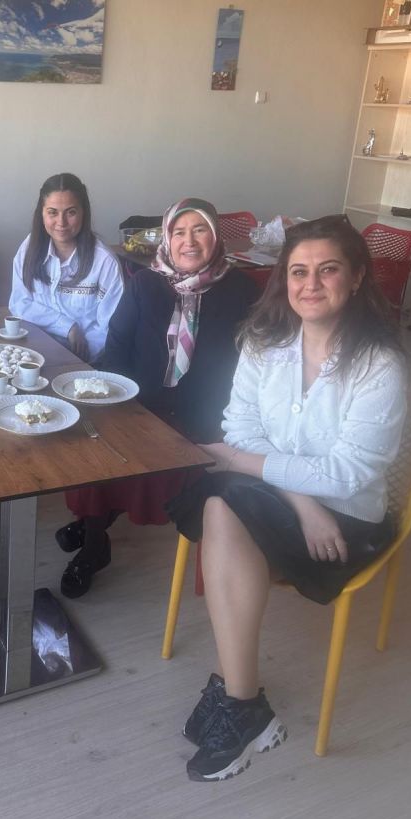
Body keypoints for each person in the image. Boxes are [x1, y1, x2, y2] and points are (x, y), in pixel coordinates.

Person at [171, 214, 406, 782]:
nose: (311, 284)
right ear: (285, 279)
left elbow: (348, 473)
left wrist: (244, 464)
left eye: (328, 270)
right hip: (292, 505)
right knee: (219, 502)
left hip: (346, 521)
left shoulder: (380, 366)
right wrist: (302, 502)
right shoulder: (264, 343)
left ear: (356, 277)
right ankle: (243, 701)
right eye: (299, 271)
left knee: (222, 502)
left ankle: (238, 698)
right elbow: (240, 429)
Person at [56, 198, 259, 598]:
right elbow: (116, 347)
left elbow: (255, 365)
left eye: (199, 230)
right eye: (179, 232)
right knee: (97, 439)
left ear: (216, 236)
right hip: (140, 402)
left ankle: (99, 520)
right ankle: (95, 542)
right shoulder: (145, 284)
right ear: (167, 238)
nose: (189, 241)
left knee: (157, 448)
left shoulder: (241, 290)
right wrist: (116, 401)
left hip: (204, 413)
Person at [8, 172, 123, 364]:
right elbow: (20, 303)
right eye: (52, 212)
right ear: (42, 213)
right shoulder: (29, 248)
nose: (61, 222)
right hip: (30, 355)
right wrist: (68, 327)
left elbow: (108, 328)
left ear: (83, 212)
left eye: (71, 212)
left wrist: (71, 357)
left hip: (83, 361)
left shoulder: (105, 262)